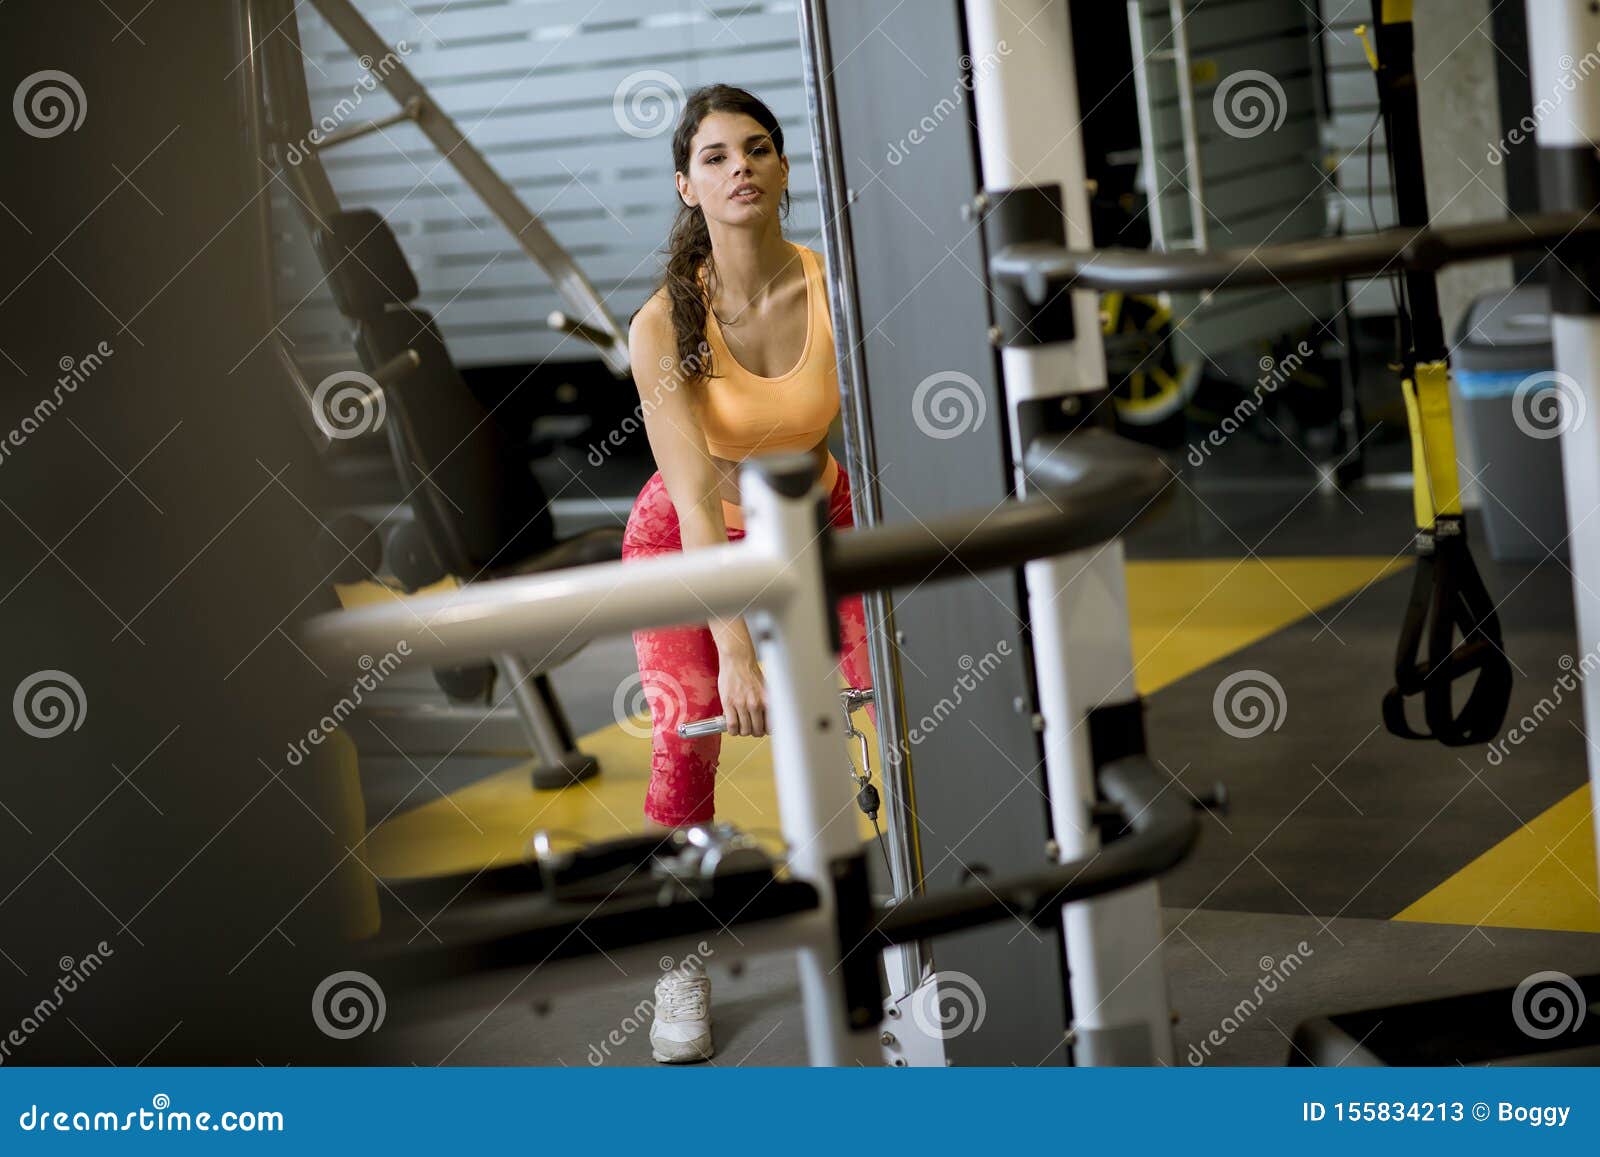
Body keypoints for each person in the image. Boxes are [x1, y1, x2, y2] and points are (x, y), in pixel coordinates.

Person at [622, 84, 873, 1063]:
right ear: (687, 183)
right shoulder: (662, 322)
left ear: (780, 167)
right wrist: (733, 650)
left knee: (884, 706)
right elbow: (690, 500)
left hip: (821, 516)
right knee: (686, 747)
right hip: (691, 539)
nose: (742, 168)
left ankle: (894, 932)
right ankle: (677, 957)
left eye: (757, 148)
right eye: (717, 156)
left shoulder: (832, 284)